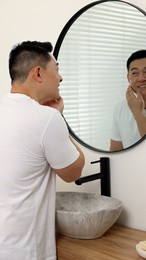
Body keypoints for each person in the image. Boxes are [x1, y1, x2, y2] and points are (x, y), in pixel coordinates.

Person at [0, 41, 85, 260]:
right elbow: (73, 172)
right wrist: (59, 116)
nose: (60, 78)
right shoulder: (46, 119)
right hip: (25, 252)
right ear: (38, 73)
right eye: (56, 70)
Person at [110, 50, 146, 151]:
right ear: (128, 78)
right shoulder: (120, 108)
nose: (141, 78)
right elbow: (115, 152)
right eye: (135, 73)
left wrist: (138, 114)